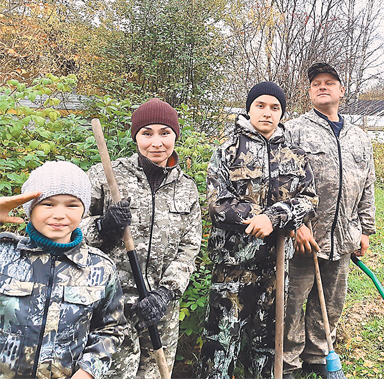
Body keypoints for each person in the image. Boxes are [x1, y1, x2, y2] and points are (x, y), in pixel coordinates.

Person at [199, 82, 317, 379]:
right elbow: (217, 203)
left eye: (274, 107)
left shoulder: (295, 155)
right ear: (249, 109)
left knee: (268, 342)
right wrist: (258, 219)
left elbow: (309, 199)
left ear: (282, 113)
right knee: (221, 342)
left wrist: (276, 218)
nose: (267, 113)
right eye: (260, 106)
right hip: (233, 266)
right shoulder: (227, 151)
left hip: (275, 267)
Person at [81, 98, 202, 378]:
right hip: (112, 307)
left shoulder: (186, 188)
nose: (156, 142)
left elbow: (189, 248)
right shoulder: (105, 176)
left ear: (175, 136)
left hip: (161, 310)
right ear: (136, 136)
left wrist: (166, 293)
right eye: (147, 133)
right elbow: (71, 230)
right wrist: (103, 226)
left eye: (165, 133)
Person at [283, 63, 376, 378]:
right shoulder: (294, 130)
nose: (323, 87)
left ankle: (319, 357)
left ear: (341, 90)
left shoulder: (359, 137)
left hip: (344, 237)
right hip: (305, 237)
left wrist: (364, 230)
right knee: (292, 304)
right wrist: (295, 225)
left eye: (329, 83)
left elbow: (368, 185)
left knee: (331, 305)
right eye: (316, 84)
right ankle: (290, 363)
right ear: (309, 92)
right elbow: (280, 183)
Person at [0, 161, 125, 379]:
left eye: (72, 205)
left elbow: (110, 329)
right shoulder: (4, 254)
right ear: (30, 208)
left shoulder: (100, 267)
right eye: (48, 204)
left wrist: (88, 372)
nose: (60, 214)